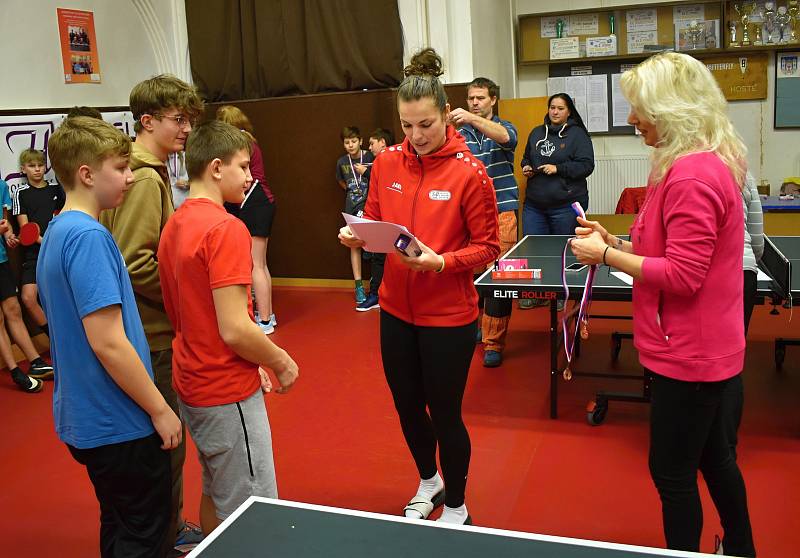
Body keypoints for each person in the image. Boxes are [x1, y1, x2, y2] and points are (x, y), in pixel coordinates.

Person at [570, 52, 755, 557]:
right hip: (705, 349)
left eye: (639, 109)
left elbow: (683, 276)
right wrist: (620, 245)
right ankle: (740, 548)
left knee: (672, 474)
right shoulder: (692, 164)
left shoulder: (692, 176)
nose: (631, 119)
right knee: (715, 458)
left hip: (690, 354)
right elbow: (670, 253)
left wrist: (605, 254)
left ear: (672, 110)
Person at [338, 48, 499, 525]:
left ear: (446, 116)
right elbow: (373, 215)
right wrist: (358, 230)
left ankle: (457, 504)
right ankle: (429, 480)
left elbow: (489, 247)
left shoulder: (471, 174)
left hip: (448, 315)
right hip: (395, 309)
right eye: (407, 126)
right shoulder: (385, 163)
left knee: (445, 414)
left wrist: (442, 261)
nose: (417, 136)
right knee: (407, 406)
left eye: (426, 124)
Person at [39, 115, 181, 557]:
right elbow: (108, 341)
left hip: (89, 420)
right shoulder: (89, 237)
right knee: (145, 538)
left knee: (121, 526)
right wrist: (160, 410)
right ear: (86, 174)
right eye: (120, 168)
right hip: (119, 423)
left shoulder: (58, 229)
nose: (130, 176)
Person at [158, 120, 299, 535]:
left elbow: (192, 311)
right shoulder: (226, 228)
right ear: (216, 168)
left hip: (192, 383)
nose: (251, 175)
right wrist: (281, 361)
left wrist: (250, 361)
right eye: (243, 166)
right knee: (254, 513)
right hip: (224, 392)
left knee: (217, 490)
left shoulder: (177, 222)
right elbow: (235, 328)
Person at [99, 74, 204, 552]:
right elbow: (135, 260)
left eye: (188, 120)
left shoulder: (138, 170)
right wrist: (183, 306)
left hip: (145, 329)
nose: (185, 129)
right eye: (177, 119)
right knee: (166, 445)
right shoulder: (142, 176)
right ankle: (167, 532)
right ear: (147, 121)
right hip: (153, 334)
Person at [450, 77, 519, 367]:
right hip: (469, 218)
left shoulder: (504, 127)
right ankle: (476, 327)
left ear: (493, 99)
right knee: (472, 278)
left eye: (480, 98)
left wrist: (471, 119)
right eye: (470, 99)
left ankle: (494, 343)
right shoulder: (458, 134)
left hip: (503, 213)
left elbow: (506, 138)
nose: (474, 103)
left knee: (501, 280)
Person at [520, 93, 594, 309]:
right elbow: (527, 156)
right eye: (552, 107)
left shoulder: (578, 135)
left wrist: (558, 168)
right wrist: (526, 166)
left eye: (560, 108)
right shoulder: (536, 133)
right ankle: (537, 293)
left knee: (563, 251)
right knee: (535, 250)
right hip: (535, 204)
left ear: (569, 111)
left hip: (565, 204)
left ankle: (562, 293)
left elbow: (586, 165)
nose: (555, 112)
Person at [216, 105, 277, 333]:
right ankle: (267, 315)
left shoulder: (239, 144)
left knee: (256, 265)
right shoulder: (249, 140)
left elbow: (246, 180)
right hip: (261, 202)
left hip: (256, 201)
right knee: (259, 264)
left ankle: (264, 320)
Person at [13, 148, 66, 335]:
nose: (37, 169)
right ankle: (54, 336)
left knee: (61, 298)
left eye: (40, 165)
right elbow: (26, 230)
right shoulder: (20, 193)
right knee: (28, 298)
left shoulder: (56, 189)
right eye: (31, 165)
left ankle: (69, 335)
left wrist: (56, 244)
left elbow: (63, 218)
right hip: (35, 253)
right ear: (23, 169)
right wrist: (44, 242)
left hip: (57, 251)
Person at [355, 128, 396, 312]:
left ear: (383, 143)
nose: (370, 147)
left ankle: (380, 295)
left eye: (372, 143)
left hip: (392, 217)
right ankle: (376, 295)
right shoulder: (377, 162)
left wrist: (366, 173)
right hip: (377, 215)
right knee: (377, 257)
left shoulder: (393, 161)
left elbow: (388, 182)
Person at [336, 126, 374, 305]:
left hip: (371, 207)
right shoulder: (341, 162)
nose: (350, 145)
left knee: (375, 244)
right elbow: (341, 182)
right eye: (346, 142)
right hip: (352, 207)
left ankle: (376, 283)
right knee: (354, 246)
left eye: (353, 141)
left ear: (360, 140)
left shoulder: (369, 157)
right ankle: (358, 285)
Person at [742, 171, 763, 335]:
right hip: (744, 269)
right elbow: (757, 239)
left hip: (705, 271)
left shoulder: (678, 169)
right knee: (736, 342)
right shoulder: (745, 174)